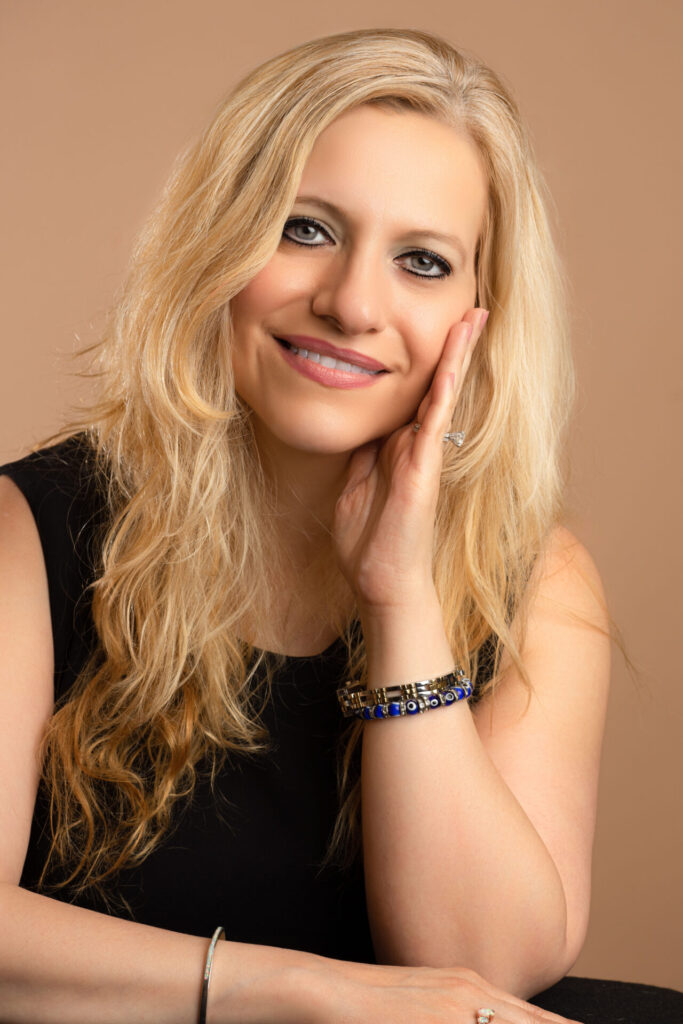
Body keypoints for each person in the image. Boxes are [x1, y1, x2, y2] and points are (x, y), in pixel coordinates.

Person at [0, 27, 613, 1024]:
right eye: (305, 229)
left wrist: (400, 598)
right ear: (220, 239)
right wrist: (305, 990)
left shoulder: (540, 579)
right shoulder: (30, 531)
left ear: (482, 314)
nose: (352, 302)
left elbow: (479, 974)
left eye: (421, 261)